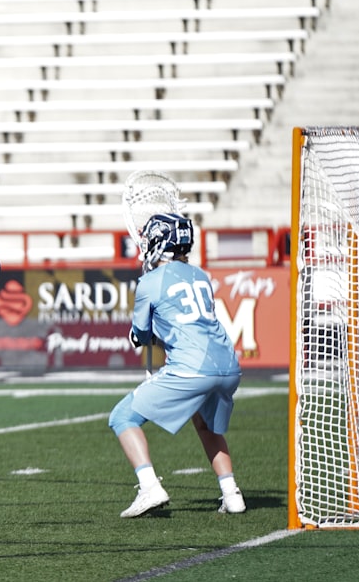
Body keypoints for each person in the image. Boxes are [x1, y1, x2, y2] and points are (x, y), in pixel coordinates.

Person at [108, 213, 245, 518]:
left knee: (122, 417)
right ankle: (231, 494)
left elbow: (140, 335)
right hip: (228, 364)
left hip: (192, 368)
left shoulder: (149, 282)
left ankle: (149, 487)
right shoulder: (200, 275)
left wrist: (138, 334)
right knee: (205, 425)